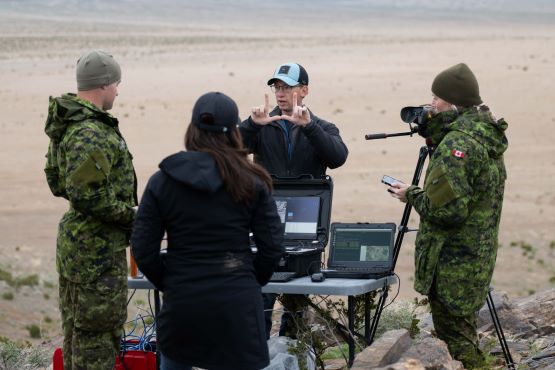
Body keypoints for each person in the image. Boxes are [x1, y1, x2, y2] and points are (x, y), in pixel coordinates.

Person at [131, 92, 284, 370]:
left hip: (183, 306)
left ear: (193, 130)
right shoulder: (252, 181)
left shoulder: (163, 180)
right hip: (237, 307)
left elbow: (142, 247)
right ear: (235, 133)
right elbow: (273, 247)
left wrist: (171, 281)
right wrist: (249, 279)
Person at [388, 63, 508, 368]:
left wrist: (411, 194)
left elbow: (447, 211)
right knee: (463, 334)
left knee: (458, 344)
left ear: (453, 103)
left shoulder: (457, 144)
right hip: (473, 259)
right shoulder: (484, 135)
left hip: (452, 264)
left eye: (437, 98)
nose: (431, 104)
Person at [240, 62, 349, 338]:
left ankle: (293, 355)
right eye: (277, 87)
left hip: (306, 229)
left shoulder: (323, 127)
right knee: (260, 301)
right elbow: (230, 148)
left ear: (304, 90)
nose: (281, 93)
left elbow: (337, 157)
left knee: (298, 305)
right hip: (265, 224)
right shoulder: (264, 124)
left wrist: (310, 128)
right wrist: (252, 126)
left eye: (287, 87)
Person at [44, 50, 137, 369]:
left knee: (77, 334)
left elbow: (57, 182)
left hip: (79, 249)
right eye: (116, 84)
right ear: (104, 84)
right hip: (95, 252)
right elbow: (89, 195)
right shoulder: (90, 130)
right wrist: (134, 217)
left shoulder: (68, 122)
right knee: (97, 339)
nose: (117, 91)